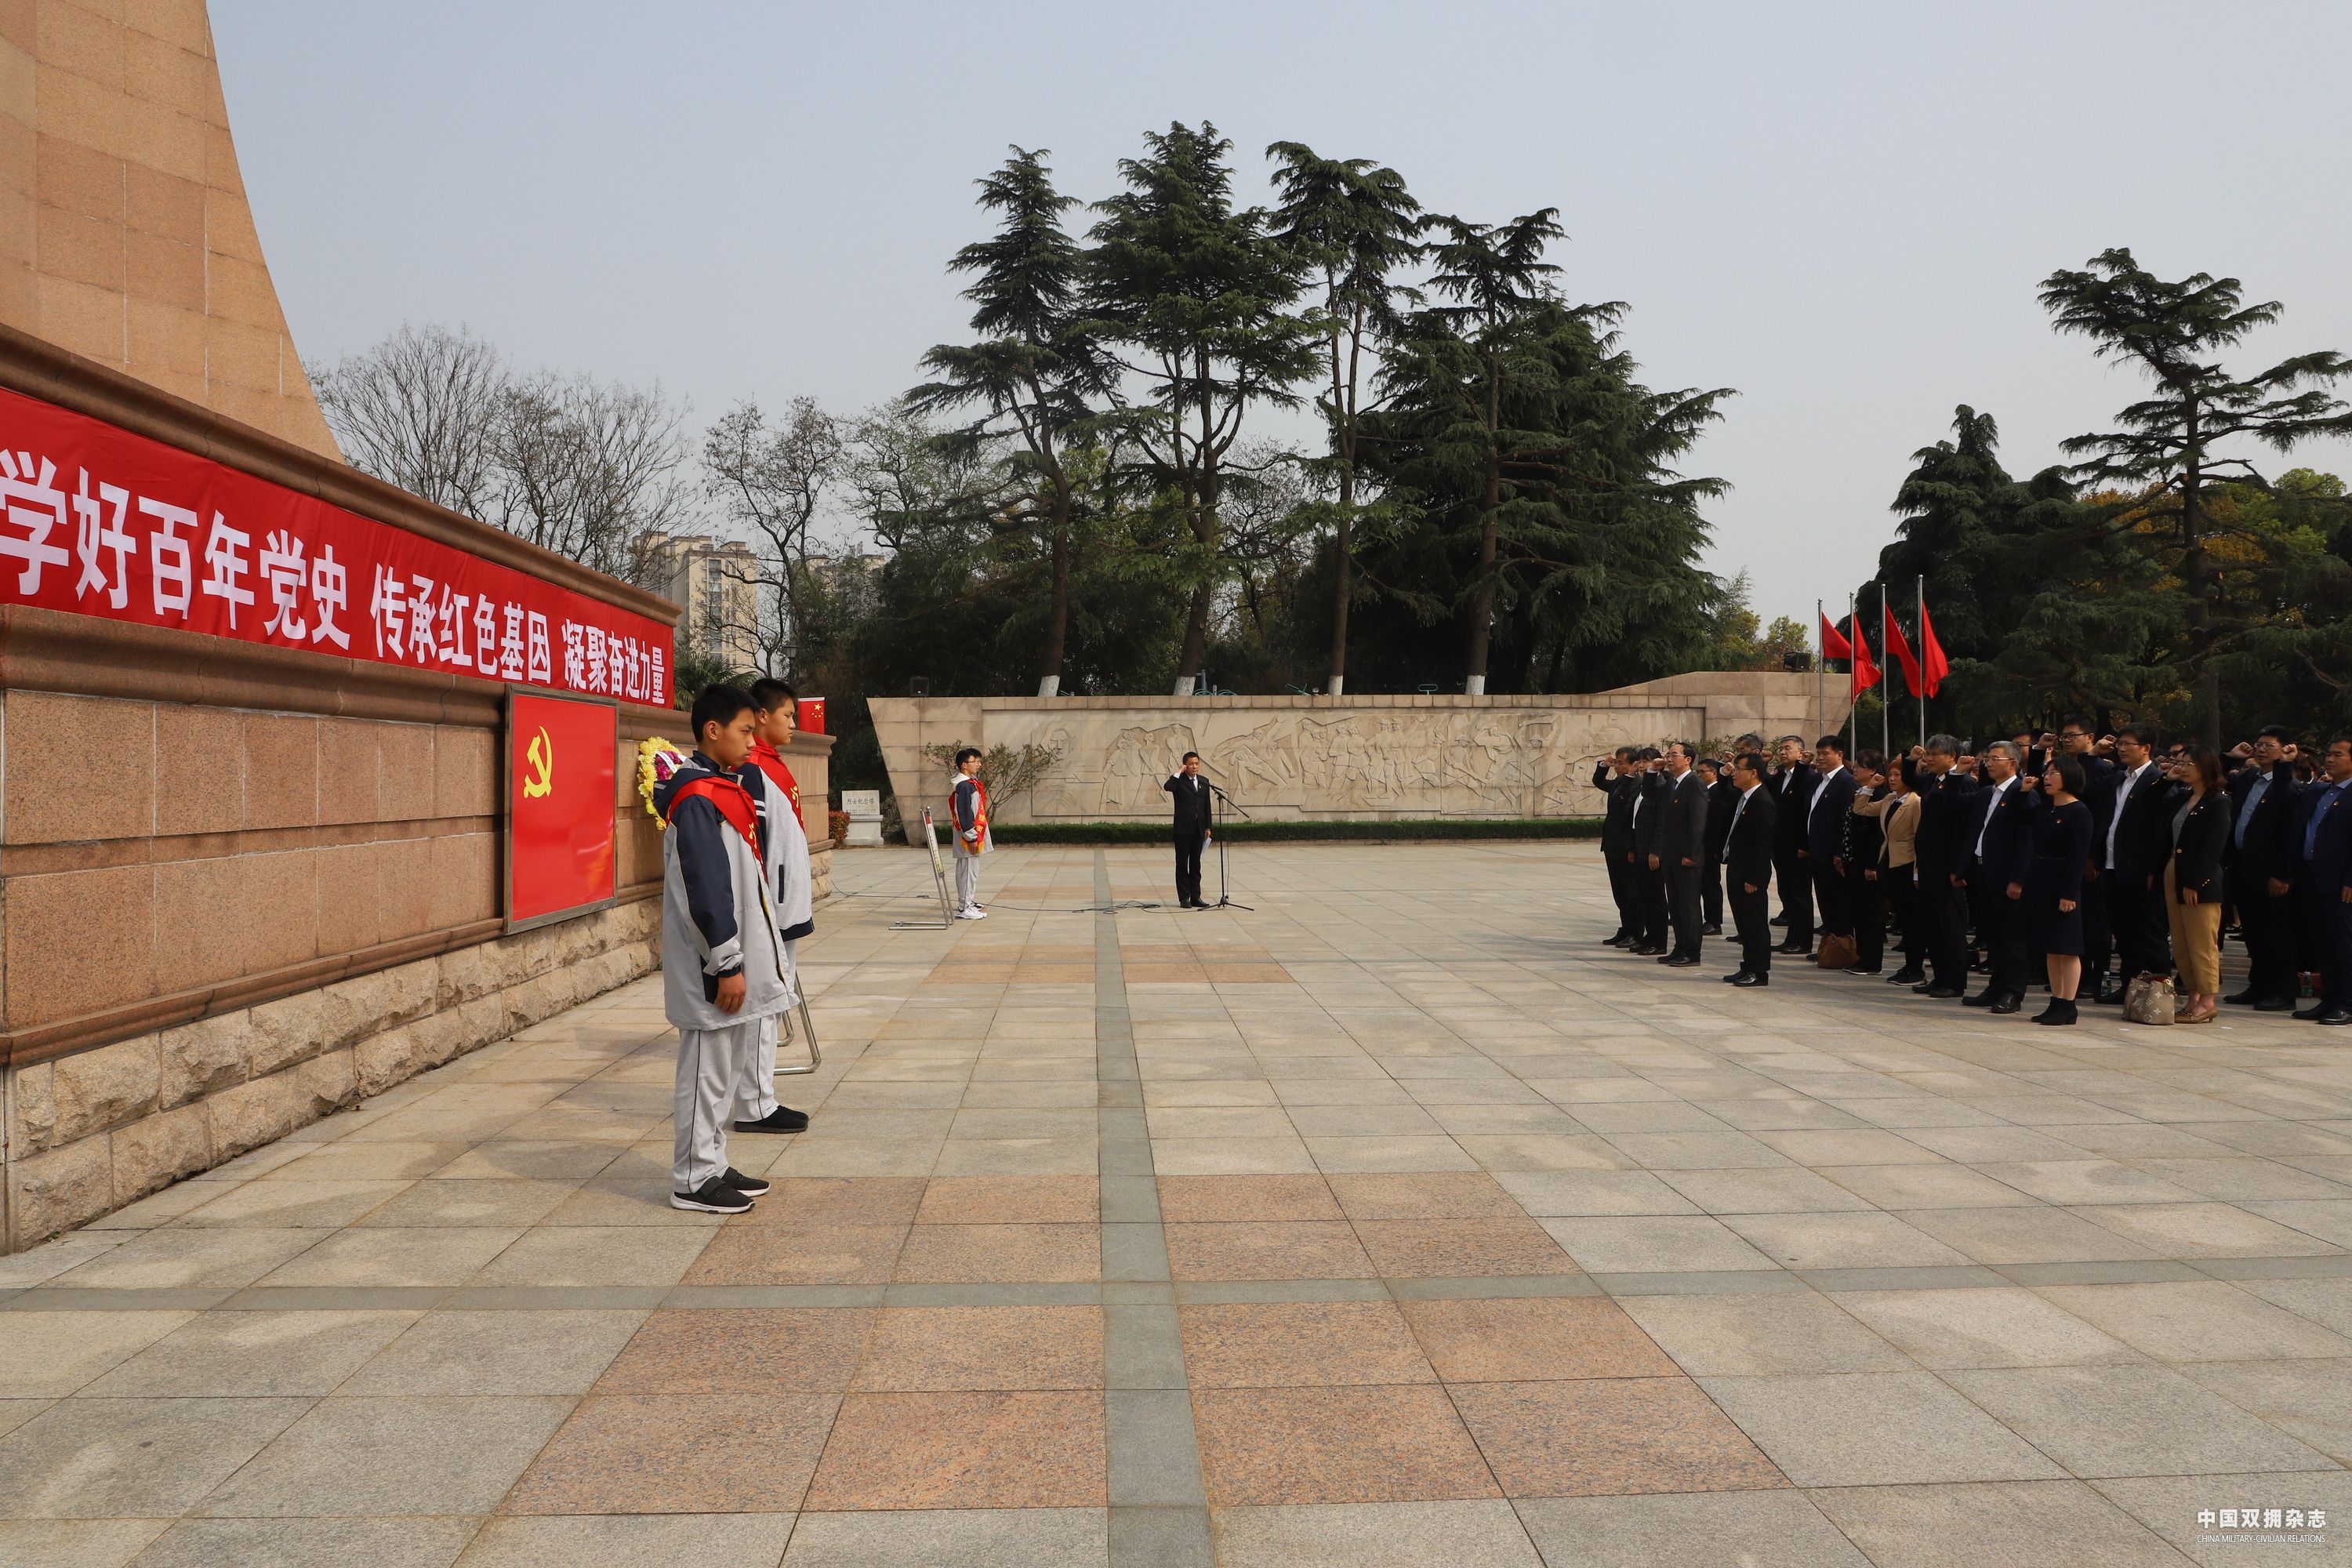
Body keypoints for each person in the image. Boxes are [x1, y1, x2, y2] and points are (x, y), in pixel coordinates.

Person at [654, 684, 792, 1214]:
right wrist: (726, 961)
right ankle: (692, 1177)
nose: (752, 740)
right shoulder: (696, 799)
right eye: (744, 730)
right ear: (713, 730)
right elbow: (704, 887)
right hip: (713, 963)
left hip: (730, 959)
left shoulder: (720, 790)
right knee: (705, 1068)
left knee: (726, 1069)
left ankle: (711, 1159)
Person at [733, 677, 816, 1136]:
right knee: (763, 1005)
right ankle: (754, 1103)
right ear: (760, 717)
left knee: (770, 1004)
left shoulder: (769, 765)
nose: (793, 725)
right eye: (788, 716)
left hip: (783, 906)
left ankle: (759, 1096)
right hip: (770, 909)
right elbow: (756, 846)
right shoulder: (751, 770)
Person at [2225, 727, 2303, 1011]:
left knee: (2277, 934)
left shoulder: (2287, 785)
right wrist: (2229, 757)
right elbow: (2213, 779)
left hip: (2272, 872)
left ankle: (2283, 991)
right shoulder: (2248, 779)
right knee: (2254, 932)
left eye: (2269, 745)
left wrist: (2283, 874)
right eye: (2258, 744)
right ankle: (2259, 985)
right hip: (2244, 867)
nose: (2261, 749)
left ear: (2283, 750)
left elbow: (2291, 834)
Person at [2102, 725, 2177, 993]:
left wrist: (2153, 869)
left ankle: (2158, 993)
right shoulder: (2117, 778)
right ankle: (2130, 988)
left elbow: (2160, 830)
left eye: (2128, 744)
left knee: (2149, 935)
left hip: (2142, 871)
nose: (2121, 748)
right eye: (2119, 743)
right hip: (2113, 866)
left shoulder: (2159, 781)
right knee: (2124, 935)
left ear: (2146, 748)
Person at [1965, 741, 2038, 1014]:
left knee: (2012, 937)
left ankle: (2013, 992)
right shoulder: (1987, 793)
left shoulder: (2024, 793)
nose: (1989, 763)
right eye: (1988, 759)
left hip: (2008, 876)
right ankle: (1996, 986)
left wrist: (2018, 879)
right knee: (1993, 934)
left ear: (2013, 764)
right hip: (1983, 869)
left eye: (1996, 759)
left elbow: (2026, 842)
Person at [2027, 753, 2094, 1026]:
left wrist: (2069, 893)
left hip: (2064, 882)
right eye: (2046, 773)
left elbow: (2078, 857)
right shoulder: (2046, 809)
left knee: (2067, 948)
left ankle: (2069, 1003)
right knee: (2051, 947)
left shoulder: (2079, 812)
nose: (2047, 778)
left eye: (2054, 773)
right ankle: (2056, 1000)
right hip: (2042, 879)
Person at [2165, 744, 2230, 1025]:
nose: (2185, 767)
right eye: (2182, 763)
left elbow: (2213, 847)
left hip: (2199, 878)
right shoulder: (2183, 798)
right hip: (2174, 870)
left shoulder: (2218, 801)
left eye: (2190, 763)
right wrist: (2169, 776)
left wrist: (2196, 882)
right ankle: (2191, 995)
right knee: (2181, 942)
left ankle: (2207, 999)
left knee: (2202, 941)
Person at [1911, 735, 1981, 999]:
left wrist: (1959, 868)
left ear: (1952, 757)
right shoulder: (1933, 780)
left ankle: (1954, 981)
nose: (1928, 759)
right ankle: (1940, 976)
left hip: (1949, 867)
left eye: (1934, 754)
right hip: (1929, 864)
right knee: (1933, 924)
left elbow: (1963, 827)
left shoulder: (1964, 783)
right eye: (1927, 753)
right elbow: (1911, 779)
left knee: (1950, 926)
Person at [2059, 719, 2123, 1000]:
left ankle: (2096, 976)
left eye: (2073, 736)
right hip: (2064, 853)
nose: (2067, 740)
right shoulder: (2063, 766)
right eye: (2064, 736)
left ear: (2090, 737)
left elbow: (2095, 811)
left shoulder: (2099, 769)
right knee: (2075, 921)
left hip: (2089, 855)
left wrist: (2092, 857)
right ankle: (2077, 975)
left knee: (2095, 922)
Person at [2291, 738, 2352, 1025]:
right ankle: (2328, 999)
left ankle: (2347, 1002)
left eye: (2338, 755)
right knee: (2322, 942)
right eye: (2328, 754)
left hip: (2342, 883)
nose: (2330, 759)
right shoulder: (2321, 792)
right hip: (2313, 876)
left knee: (2343, 943)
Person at [1858, 756, 1924, 984]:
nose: (1893, 779)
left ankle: (1915, 968)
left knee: (1912, 920)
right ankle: (1908, 966)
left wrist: (1917, 871)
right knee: (1903, 917)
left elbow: (1919, 839)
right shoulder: (1888, 799)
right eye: (1891, 775)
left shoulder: (1915, 801)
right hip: (1890, 862)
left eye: (1898, 775)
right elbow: (1861, 809)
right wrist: (1869, 787)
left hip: (1907, 864)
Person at [1720, 750, 1777, 987]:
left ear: (1753, 773)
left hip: (1750, 874)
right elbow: (1723, 796)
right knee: (1744, 923)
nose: (1735, 773)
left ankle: (1759, 971)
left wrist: (1754, 877)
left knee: (1755, 923)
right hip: (1737, 867)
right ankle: (1747, 966)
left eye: (1738, 769)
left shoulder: (1762, 802)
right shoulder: (1744, 797)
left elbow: (1763, 845)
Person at [1655, 742, 1710, 967]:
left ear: (1688, 759)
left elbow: (1698, 823)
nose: (1669, 758)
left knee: (1688, 906)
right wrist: (1652, 771)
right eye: (1668, 754)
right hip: (1670, 855)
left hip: (1687, 857)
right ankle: (1679, 947)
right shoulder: (1671, 783)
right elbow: (1650, 793)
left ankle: (1692, 951)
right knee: (1675, 905)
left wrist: (1691, 853)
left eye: (1674, 755)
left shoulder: (1694, 784)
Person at [1804, 735, 1857, 955]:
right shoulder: (1818, 779)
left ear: (1840, 755)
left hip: (1833, 855)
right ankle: (1830, 945)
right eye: (1819, 754)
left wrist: (1839, 852)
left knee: (1838, 903)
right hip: (1817, 852)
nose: (1821, 758)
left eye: (1826, 753)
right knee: (1825, 901)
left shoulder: (1846, 782)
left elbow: (1847, 820)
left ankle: (1843, 947)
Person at [1769, 735, 1817, 954]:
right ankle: (1791, 938)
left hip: (1797, 846)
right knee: (1787, 893)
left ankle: (1803, 940)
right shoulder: (1780, 775)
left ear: (1801, 752)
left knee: (1800, 894)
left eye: (1788, 748)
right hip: (1780, 845)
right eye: (1781, 748)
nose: (1782, 752)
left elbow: (1806, 810)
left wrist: (1805, 844)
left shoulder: (1807, 776)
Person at [1842, 751, 1888, 975]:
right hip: (1854, 860)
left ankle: (1872, 961)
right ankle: (1862, 956)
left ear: (1873, 771)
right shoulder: (1862, 792)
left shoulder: (1879, 793)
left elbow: (1876, 834)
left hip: (1867, 864)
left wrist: (1872, 865)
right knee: (1859, 912)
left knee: (1870, 914)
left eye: (1861, 766)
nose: (1855, 770)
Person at [1596, 748, 1642, 946]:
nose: (1617, 766)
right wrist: (1603, 766)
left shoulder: (1637, 785)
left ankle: (1635, 931)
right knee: (1620, 891)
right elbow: (1599, 782)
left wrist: (1632, 848)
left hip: (1626, 848)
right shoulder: (1618, 783)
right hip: (1613, 846)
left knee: (1631, 891)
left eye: (1621, 763)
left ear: (1633, 765)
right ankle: (1625, 928)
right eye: (1616, 762)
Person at [1628, 748, 1670, 954]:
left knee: (1656, 899)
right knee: (1644, 897)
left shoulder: (1661, 786)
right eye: (1641, 761)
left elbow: (1662, 823)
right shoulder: (1642, 787)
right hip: (1640, 848)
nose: (1643, 765)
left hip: (1652, 852)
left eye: (1647, 761)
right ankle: (1649, 936)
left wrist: (1656, 851)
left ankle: (1658, 941)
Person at [1165, 751, 1214, 908]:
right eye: (1191, 764)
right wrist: (1178, 772)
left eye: (1197, 764)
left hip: (1199, 830)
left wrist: (1208, 826)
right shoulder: (1179, 781)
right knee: (1182, 865)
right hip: (1182, 830)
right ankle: (1184, 898)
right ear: (1186, 765)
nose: (1195, 767)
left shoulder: (1204, 782)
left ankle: (1196, 896)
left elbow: (1207, 806)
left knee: (1195, 865)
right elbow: (1168, 787)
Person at [949, 746, 990, 920]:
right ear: (964, 765)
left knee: (970, 871)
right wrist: (971, 837)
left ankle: (968, 903)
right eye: (975, 762)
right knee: (967, 872)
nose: (978, 765)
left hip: (971, 834)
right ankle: (965, 908)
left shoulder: (970, 783)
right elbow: (964, 812)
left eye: (979, 762)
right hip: (968, 837)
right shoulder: (964, 786)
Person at [1696, 756, 1730, 935]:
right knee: (1700, 883)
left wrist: (1718, 848)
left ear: (1714, 773)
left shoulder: (1718, 792)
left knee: (1710, 884)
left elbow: (1719, 823)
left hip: (1711, 846)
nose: (1699, 775)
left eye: (1703, 772)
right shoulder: (1701, 791)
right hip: (1698, 845)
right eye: (1698, 772)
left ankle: (1714, 921)